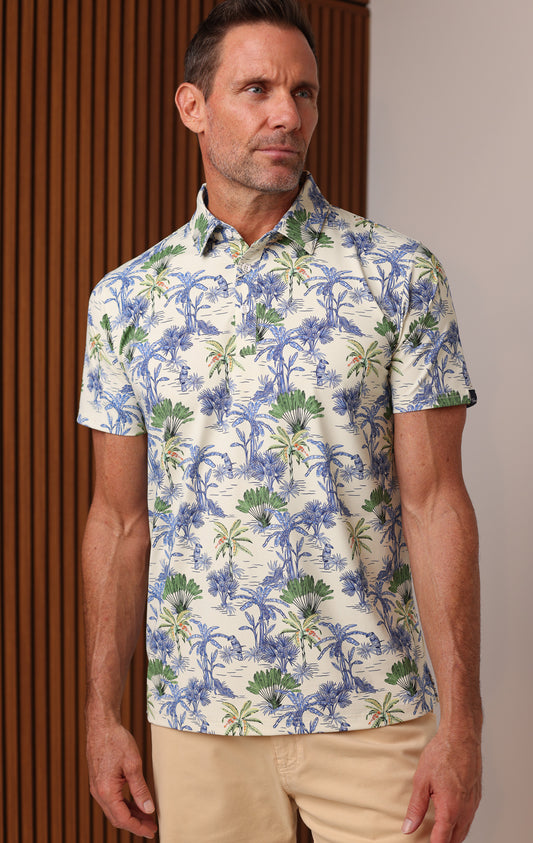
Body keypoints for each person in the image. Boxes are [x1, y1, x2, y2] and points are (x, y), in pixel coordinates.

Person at [78, 1, 482, 841]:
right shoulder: (125, 300)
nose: (287, 115)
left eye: (304, 92)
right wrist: (101, 712)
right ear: (192, 106)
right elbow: (117, 520)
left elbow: (434, 502)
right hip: (197, 714)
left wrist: (463, 724)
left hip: (371, 703)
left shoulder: (399, 276)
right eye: (256, 88)